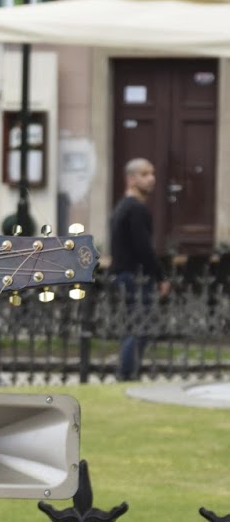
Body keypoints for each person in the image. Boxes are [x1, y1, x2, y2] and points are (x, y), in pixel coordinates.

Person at [109, 158, 169, 381]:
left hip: (124, 274)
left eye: (152, 173)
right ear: (131, 179)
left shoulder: (124, 206)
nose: (151, 178)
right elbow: (144, 248)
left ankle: (128, 371)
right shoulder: (135, 209)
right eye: (145, 174)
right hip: (133, 276)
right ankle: (126, 373)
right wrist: (161, 276)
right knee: (141, 326)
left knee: (135, 325)